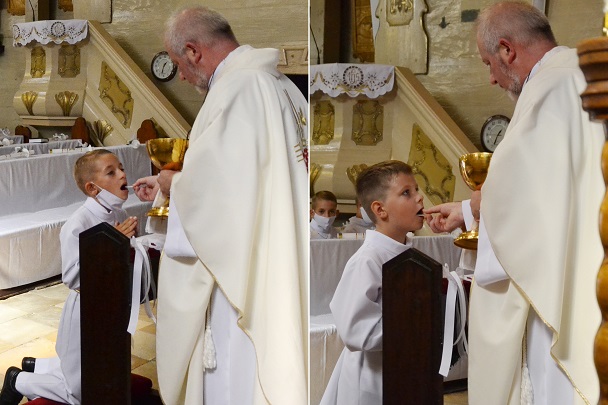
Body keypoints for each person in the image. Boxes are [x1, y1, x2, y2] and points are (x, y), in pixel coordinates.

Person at [424, 2, 605, 404]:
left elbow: (517, 191)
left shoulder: (550, 89)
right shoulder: (580, 75)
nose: (491, 78)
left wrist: (471, 209)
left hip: (557, 279)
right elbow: (541, 190)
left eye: (488, 63)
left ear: (507, 50)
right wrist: (467, 211)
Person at [133, 6, 308, 404]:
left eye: (178, 64)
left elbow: (222, 198)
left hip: (240, 271)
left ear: (193, 51)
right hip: (274, 249)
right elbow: (245, 178)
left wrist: (174, 183)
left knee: (234, 374)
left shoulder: (239, 88)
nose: (181, 76)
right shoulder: (279, 84)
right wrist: (172, 185)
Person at [0, 149, 138, 405]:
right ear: (92, 188)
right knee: (79, 392)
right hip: (84, 311)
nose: (123, 174)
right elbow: (73, 277)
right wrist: (112, 243)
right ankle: (18, 380)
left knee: (100, 369)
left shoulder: (117, 215)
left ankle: (37, 366)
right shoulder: (78, 223)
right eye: (111, 172)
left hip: (110, 307)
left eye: (121, 168)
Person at [320, 161, 425, 404]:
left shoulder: (409, 254)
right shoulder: (367, 260)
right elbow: (356, 330)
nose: (419, 198)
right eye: (406, 193)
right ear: (380, 209)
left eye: (417, 190)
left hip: (405, 368)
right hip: (372, 377)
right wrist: (416, 324)